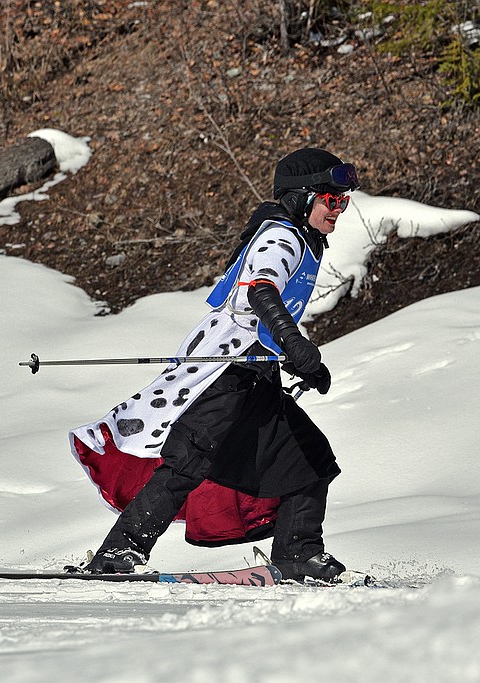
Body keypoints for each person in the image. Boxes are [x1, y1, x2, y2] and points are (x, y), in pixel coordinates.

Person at [68, 147, 359, 582]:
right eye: (331, 200)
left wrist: (299, 360)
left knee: (310, 459)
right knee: (187, 461)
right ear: (302, 198)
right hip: (223, 371)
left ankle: (298, 554)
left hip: (256, 374)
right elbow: (261, 290)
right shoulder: (281, 236)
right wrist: (295, 343)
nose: (339, 209)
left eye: (344, 201)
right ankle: (118, 553)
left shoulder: (303, 239)